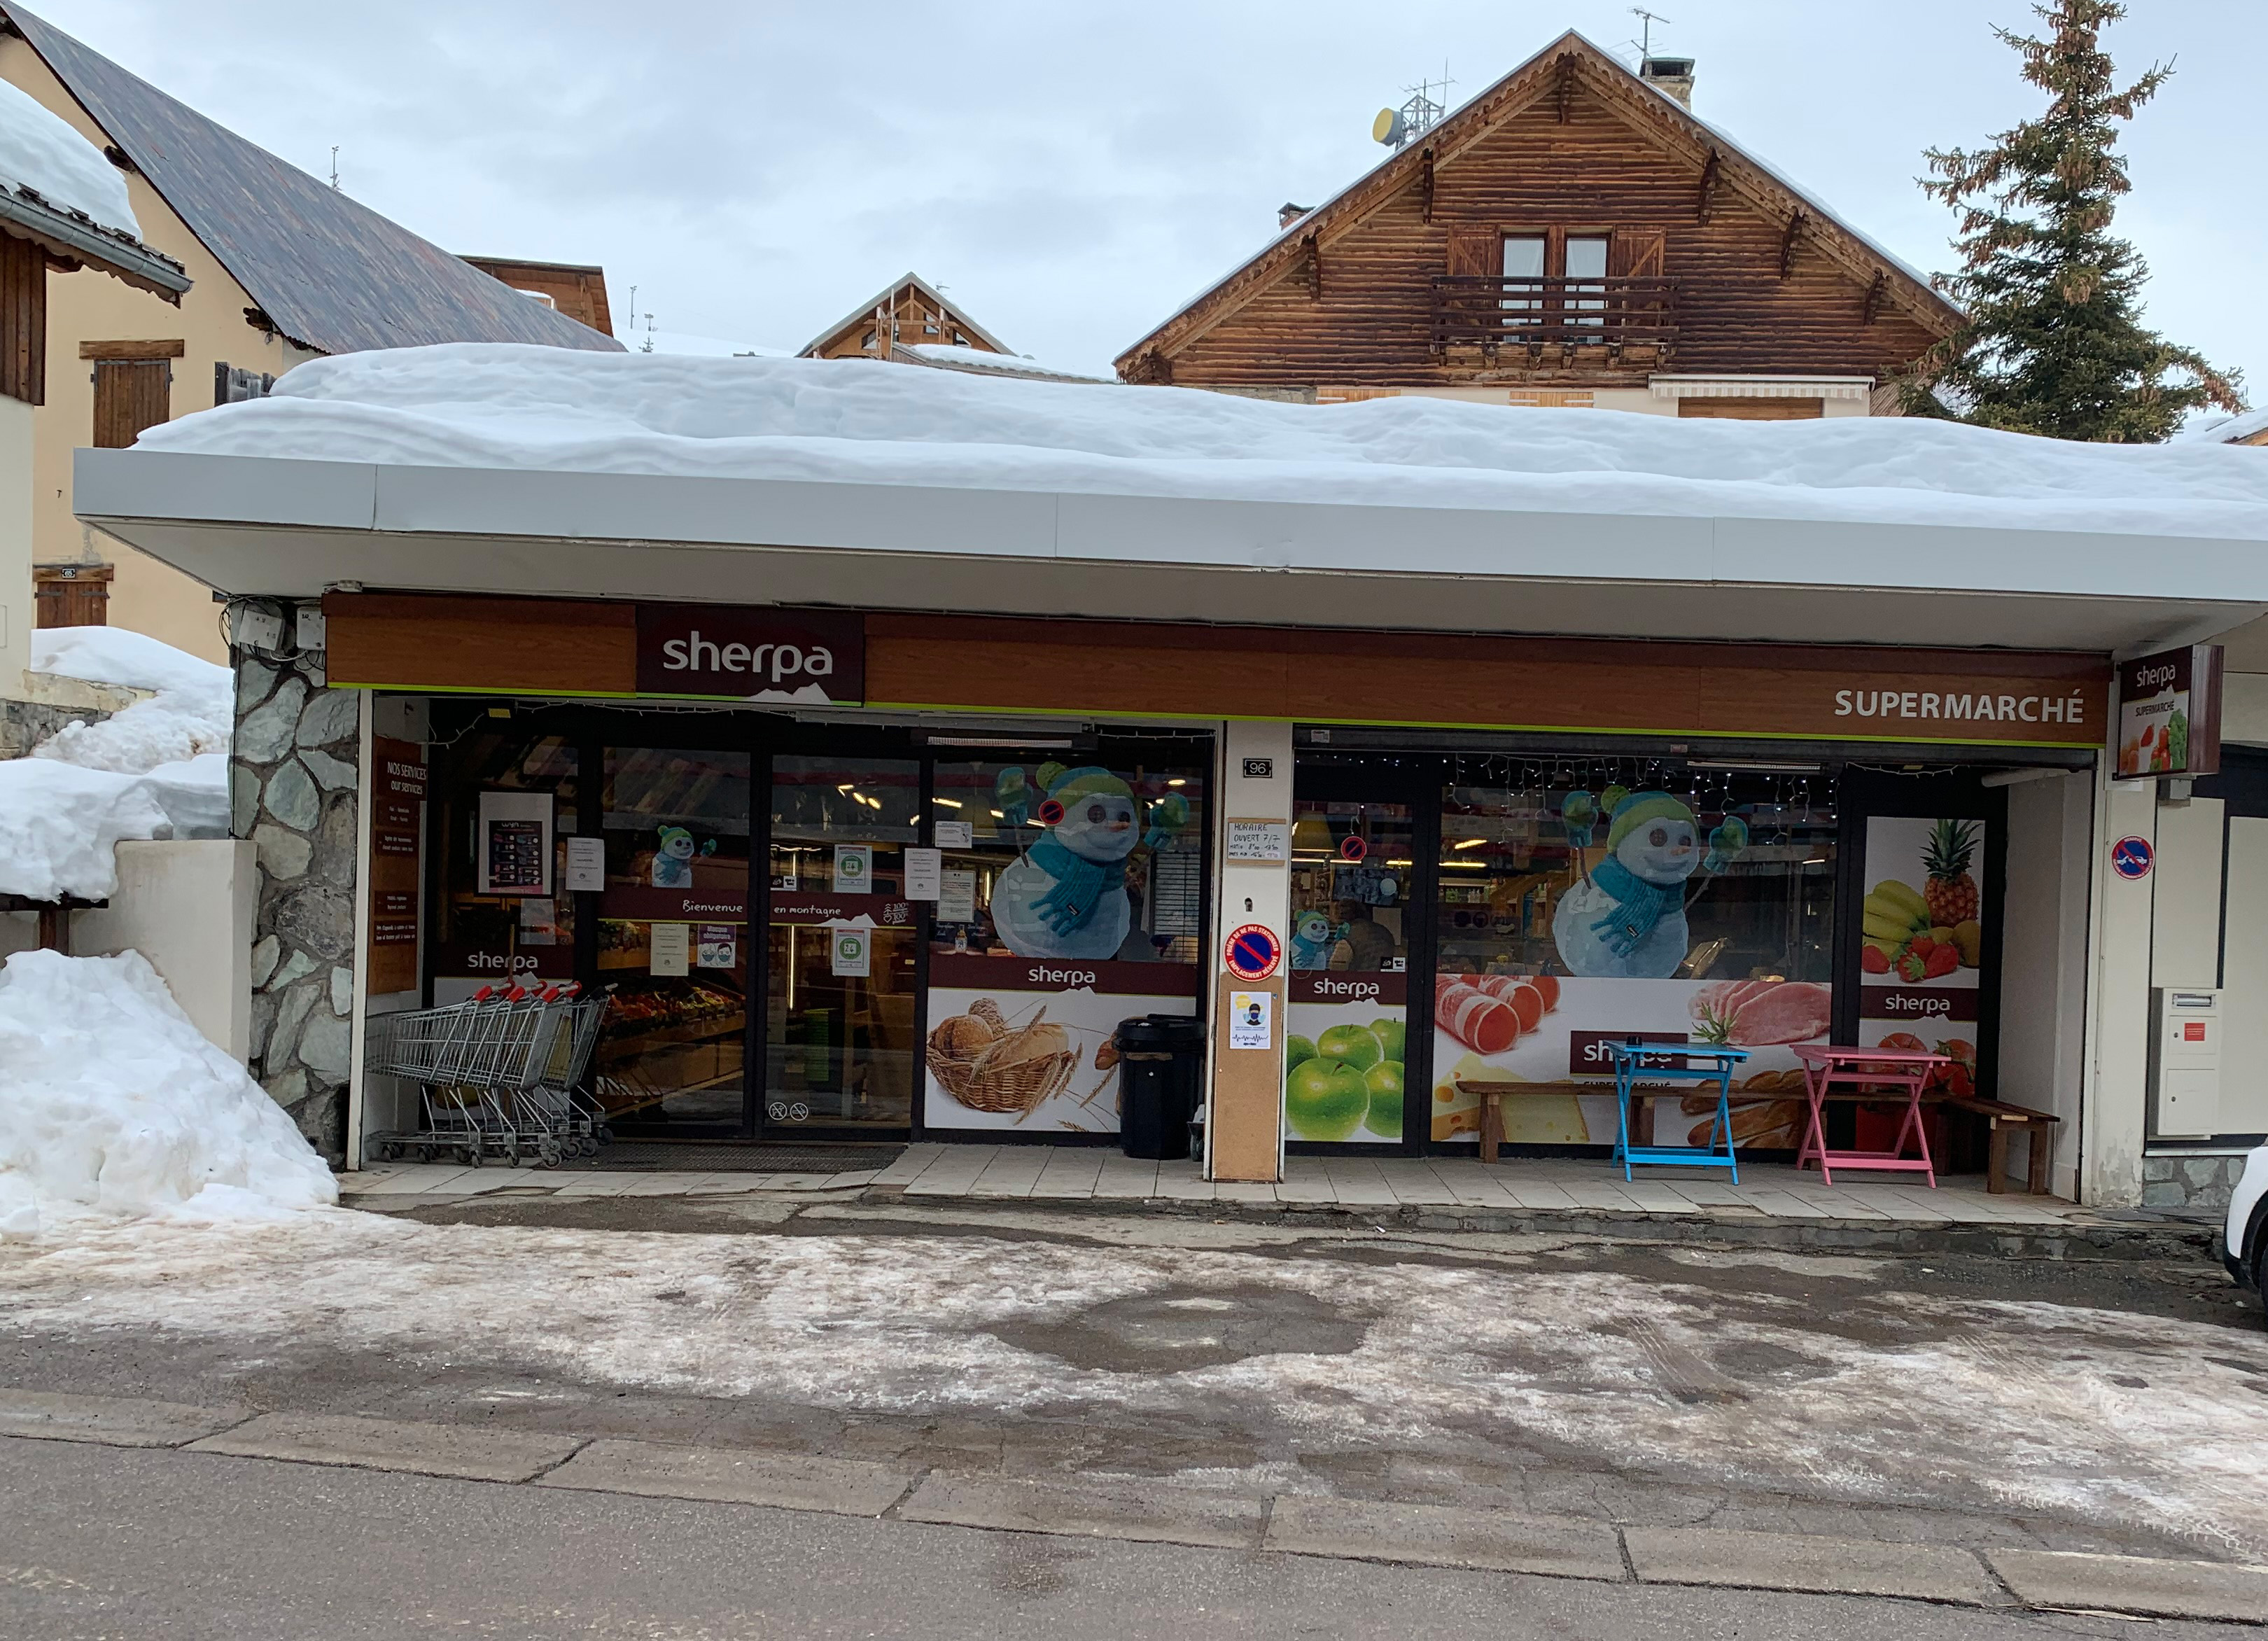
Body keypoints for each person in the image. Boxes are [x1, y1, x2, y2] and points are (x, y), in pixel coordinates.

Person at [1330, 899, 1398, 971]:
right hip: (1382, 979)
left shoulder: (1347, 933)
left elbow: (1337, 965)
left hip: (1359, 979)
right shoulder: (1384, 931)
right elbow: (1392, 963)